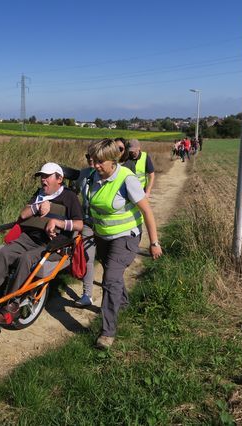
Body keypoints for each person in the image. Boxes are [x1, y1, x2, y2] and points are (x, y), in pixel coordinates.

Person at [0, 162, 84, 323]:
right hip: (28, 239)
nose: (43, 180)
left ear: (59, 179)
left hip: (53, 245)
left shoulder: (69, 197)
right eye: (42, 176)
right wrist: (38, 206)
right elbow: (23, 214)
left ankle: (13, 303)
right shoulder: (39, 193)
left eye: (47, 176)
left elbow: (79, 225)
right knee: (2, 252)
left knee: (26, 258)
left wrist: (57, 222)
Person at [86, 138, 163, 350]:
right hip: (103, 237)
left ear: (113, 160)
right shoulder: (94, 177)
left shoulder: (126, 179)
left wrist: (154, 242)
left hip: (126, 237)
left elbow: (147, 211)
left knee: (110, 280)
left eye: (100, 162)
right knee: (114, 275)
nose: (95, 165)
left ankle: (107, 333)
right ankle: (124, 303)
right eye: (92, 160)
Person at [74, 138, 127, 307]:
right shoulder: (83, 174)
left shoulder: (113, 175)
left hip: (106, 224)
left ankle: (122, 299)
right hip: (88, 222)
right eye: (89, 158)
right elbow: (74, 192)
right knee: (88, 257)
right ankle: (87, 294)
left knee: (109, 265)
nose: (92, 162)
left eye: (96, 159)